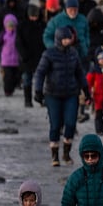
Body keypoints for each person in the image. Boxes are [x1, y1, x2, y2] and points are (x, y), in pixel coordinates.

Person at [34, 25, 88, 166]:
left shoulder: (73, 53)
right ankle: (54, 156)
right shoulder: (49, 54)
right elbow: (40, 73)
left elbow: (80, 73)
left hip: (71, 93)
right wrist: (38, 91)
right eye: (64, 39)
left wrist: (86, 90)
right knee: (55, 125)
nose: (67, 41)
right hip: (53, 94)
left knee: (70, 124)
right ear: (58, 39)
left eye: (68, 38)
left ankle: (66, 153)